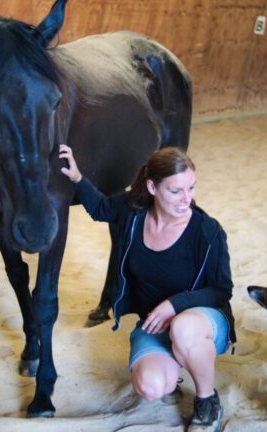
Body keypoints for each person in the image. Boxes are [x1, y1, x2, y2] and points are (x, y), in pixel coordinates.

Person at [59, 144, 236, 432]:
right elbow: (101, 208)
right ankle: (177, 362)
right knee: (151, 386)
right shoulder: (133, 213)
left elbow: (221, 290)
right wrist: (78, 178)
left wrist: (174, 305)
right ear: (152, 187)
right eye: (176, 191)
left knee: (183, 328)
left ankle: (207, 400)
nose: (186, 199)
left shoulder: (208, 231)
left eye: (191, 188)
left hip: (201, 323)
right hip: (155, 326)